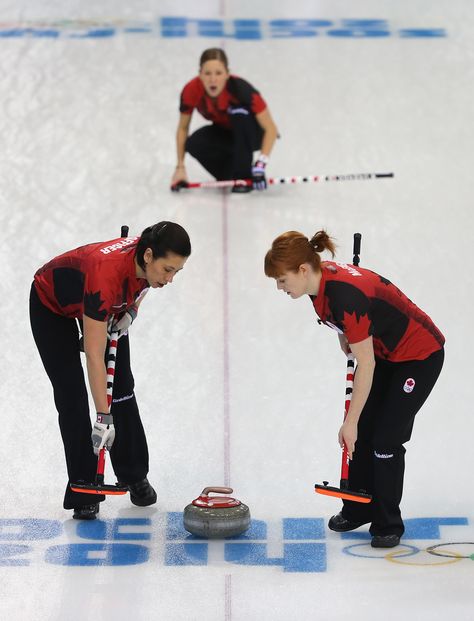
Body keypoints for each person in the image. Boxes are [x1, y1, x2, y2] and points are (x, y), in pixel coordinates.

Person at [264, 230, 445, 548]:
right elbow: (343, 327)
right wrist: (346, 336)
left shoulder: (346, 296)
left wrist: (348, 423)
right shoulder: (317, 286)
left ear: (303, 270)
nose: (280, 288)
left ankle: (388, 521)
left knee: (385, 438)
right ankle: (358, 506)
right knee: (363, 427)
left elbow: (367, 364)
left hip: (419, 356)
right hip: (385, 352)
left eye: (282, 280)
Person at [30, 222, 191, 520]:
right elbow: (94, 355)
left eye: (176, 272)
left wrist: (131, 310)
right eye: (168, 270)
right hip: (52, 303)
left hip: (105, 304)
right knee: (72, 397)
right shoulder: (106, 275)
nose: (170, 279)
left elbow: (143, 286)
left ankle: (133, 474)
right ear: (148, 256)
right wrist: (102, 419)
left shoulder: (146, 263)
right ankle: (83, 487)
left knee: (122, 388)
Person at [170, 47, 278, 193]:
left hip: (252, 135)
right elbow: (183, 128)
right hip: (227, 134)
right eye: (207, 73)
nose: (213, 79)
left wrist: (260, 165)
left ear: (227, 74)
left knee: (239, 113)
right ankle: (230, 175)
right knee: (194, 143)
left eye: (218, 73)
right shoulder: (191, 91)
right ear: (200, 74)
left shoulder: (241, 90)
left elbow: (271, 129)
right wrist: (180, 168)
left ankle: (244, 175)